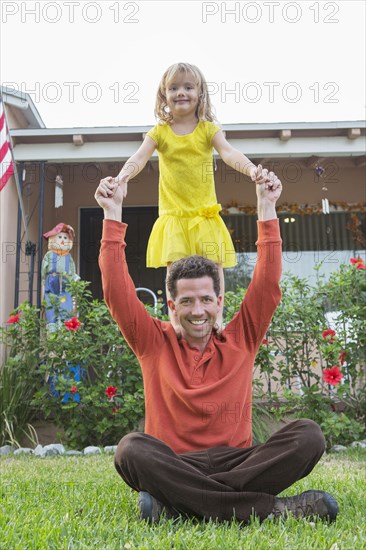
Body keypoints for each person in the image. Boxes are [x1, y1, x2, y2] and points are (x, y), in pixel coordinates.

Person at [95, 172, 339, 524]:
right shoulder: (152, 341)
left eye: (206, 299)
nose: (198, 311)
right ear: (171, 305)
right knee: (131, 449)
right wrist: (112, 213)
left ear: (220, 301)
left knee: (308, 436)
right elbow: (116, 291)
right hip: (175, 462)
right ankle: (271, 510)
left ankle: (179, 505)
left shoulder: (242, 338)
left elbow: (267, 284)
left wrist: (267, 207)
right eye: (188, 301)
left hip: (238, 462)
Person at [99, 62, 272, 327]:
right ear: (163, 95)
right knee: (174, 272)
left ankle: (217, 321)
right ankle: (178, 324)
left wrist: (251, 170)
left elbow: (228, 152)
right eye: (174, 87)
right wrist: (122, 176)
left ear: (200, 93)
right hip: (174, 217)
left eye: (188, 87)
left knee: (214, 269)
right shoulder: (160, 132)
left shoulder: (207, 130)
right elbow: (139, 157)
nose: (181, 92)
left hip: (204, 215)